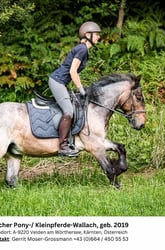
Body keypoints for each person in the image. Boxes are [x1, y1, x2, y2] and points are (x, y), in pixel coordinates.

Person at [48, 21, 101, 157]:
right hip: (57, 81)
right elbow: (73, 71)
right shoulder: (82, 49)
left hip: (61, 83)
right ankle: (63, 146)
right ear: (88, 35)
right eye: (96, 34)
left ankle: (71, 140)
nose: (98, 37)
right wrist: (81, 88)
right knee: (69, 111)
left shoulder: (84, 49)